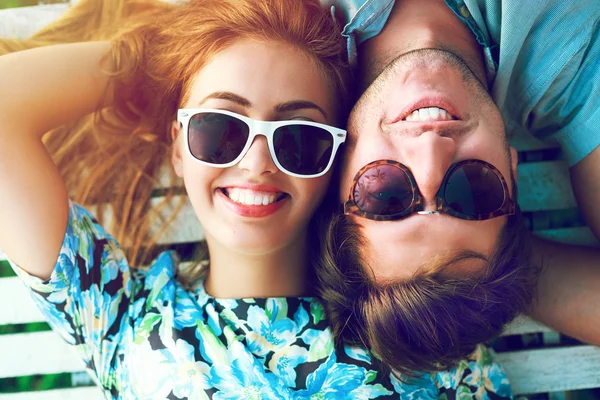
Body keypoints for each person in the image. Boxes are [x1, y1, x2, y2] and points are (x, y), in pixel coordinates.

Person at [0, 0, 514, 398]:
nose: (257, 164)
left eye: (299, 139)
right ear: (177, 146)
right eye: (218, 129)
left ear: (338, 165)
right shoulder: (115, 316)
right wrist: (163, 57)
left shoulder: (407, 329)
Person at [315, 0, 600, 375]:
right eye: (472, 191)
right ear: (512, 171)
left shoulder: (287, 27)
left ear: (338, 171)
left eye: (386, 195)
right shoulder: (568, 67)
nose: (432, 150)